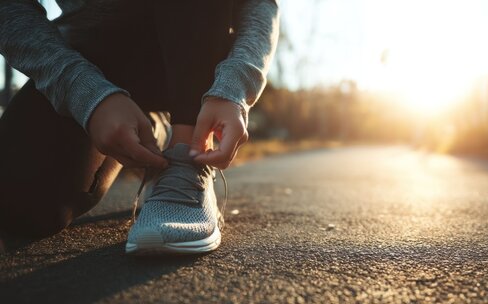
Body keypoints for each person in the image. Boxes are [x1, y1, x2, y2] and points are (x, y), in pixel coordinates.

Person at [0, 0, 279, 254]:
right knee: (19, 206)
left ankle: (184, 153)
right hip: (88, 59)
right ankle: (153, 129)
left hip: (197, 50)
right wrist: (86, 95)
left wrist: (233, 89)